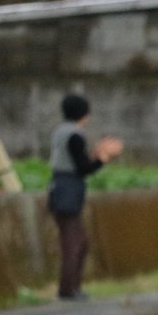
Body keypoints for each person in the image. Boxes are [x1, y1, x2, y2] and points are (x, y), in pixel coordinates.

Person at [46, 93, 122, 301]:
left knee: (78, 242)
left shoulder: (61, 132)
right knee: (75, 243)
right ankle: (68, 290)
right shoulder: (75, 135)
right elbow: (82, 168)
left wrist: (97, 153)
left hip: (59, 189)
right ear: (84, 114)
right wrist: (104, 158)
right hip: (67, 192)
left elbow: (76, 160)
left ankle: (71, 288)